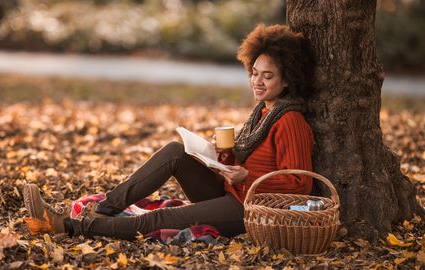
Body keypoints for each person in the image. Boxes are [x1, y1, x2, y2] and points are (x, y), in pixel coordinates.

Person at [24, 24, 315, 239]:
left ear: (287, 80)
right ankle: (107, 208)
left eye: (268, 76)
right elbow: (252, 161)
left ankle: (71, 227)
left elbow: (300, 185)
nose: (257, 81)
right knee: (175, 152)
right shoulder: (263, 111)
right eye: (254, 72)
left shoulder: (290, 120)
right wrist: (220, 157)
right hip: (232, 191)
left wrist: (247, 176)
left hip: (249, 209)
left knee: (162, 217)